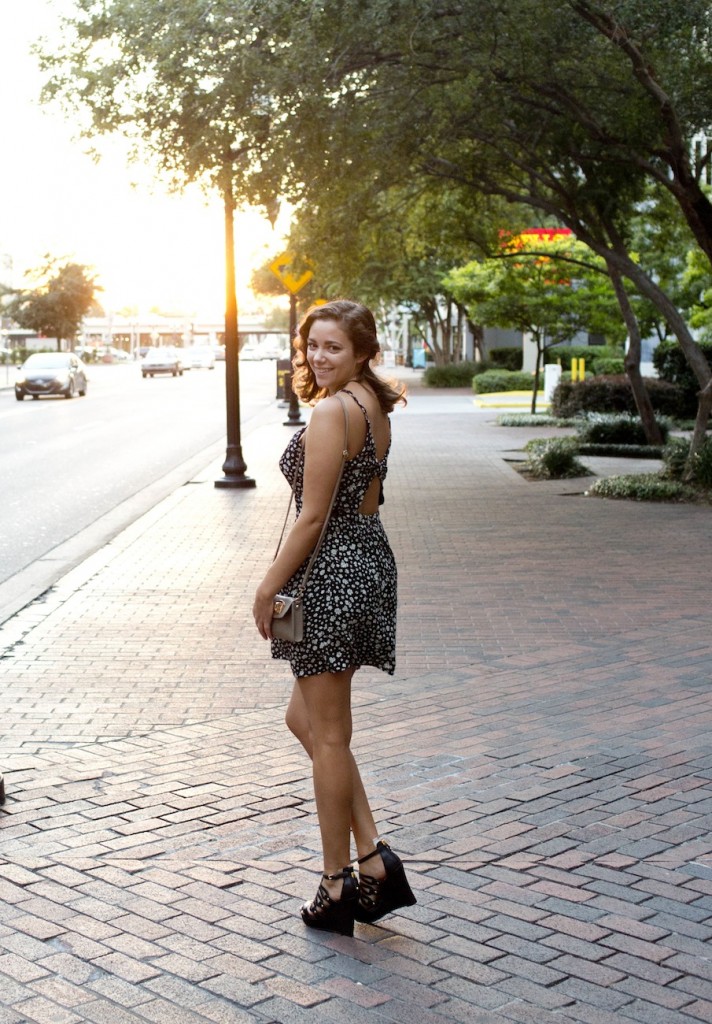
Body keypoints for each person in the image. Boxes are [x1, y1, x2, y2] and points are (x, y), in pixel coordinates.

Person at [253, 299, 416, 936]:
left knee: (328, 735)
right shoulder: (373, 404)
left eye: (333, 348)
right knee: (310, 721)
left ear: (361, 352)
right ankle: (373, 857)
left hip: (331, 572)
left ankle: (334, 883)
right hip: (369, 559)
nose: (319, 357)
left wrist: (267, 587)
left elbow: (313, 517)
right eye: (312, 346)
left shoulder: (330, 412)